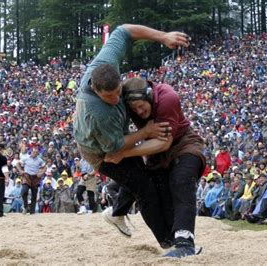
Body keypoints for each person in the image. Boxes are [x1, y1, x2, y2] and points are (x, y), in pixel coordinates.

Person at [73, 24, 189, 248]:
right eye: (109, 96)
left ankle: (117, 213)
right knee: (144, 187)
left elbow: (124, 31)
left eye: (119, 91)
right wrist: (145, 132)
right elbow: (115, 150)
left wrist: (163, 36)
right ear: (96, 90)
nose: (117, 99)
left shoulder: (104, 65)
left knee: (144, 176)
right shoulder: (97, 113)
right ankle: (168, 242)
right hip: (99, 151)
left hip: (117, 138)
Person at [104, 76, 206, 257]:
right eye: (134, 108)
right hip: (154, 152)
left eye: (141, 105)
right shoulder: (128, 106)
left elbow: (164, 143)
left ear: (150, 96)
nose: (139, 111)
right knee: (150, 192)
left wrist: (123, 153)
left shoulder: (168, 98)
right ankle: (119, 211)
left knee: (181, 181)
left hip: (183, 143)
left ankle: (185, 243)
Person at [16, 147, 46, 214]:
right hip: (26, 176)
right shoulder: (26, 158)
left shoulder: (39, 160)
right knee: (24, 191)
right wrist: (20, 170)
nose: (35, 153)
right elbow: (17, 164)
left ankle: (32, 211)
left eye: (36, 152)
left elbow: (45, 167)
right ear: (31, 152)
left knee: (34, 195)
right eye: (34, 152)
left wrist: (41, 173)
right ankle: (25, 207)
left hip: (35, 177)